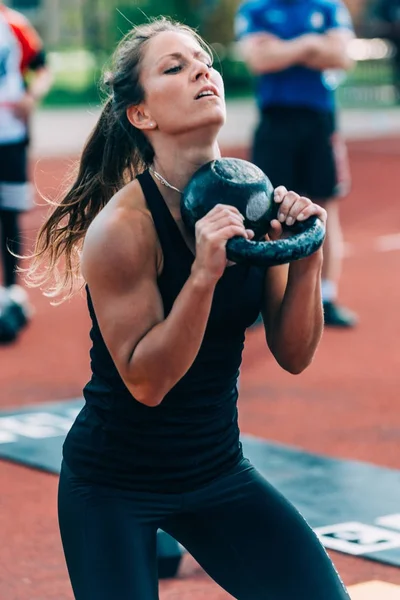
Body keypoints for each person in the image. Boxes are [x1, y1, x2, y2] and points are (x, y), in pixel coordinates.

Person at [25, 17, 350, 600]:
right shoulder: (123, 229)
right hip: (112, 486)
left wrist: (305, 256)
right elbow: (148, 383)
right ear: (141, 114)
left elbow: (295, 353)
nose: (202, 69)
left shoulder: (253, 196)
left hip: (216, 472)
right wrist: (202, 274)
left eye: (203, 59)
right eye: (174, 67)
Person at [235, 0, 357, 327]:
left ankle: (326, 298)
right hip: (275, 123)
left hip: (319, 121)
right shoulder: (255, 9)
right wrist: (312, 43)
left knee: (325, 206)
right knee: (264, 211)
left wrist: (284, 49)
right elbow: (259, 60)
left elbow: (342, 57)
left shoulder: (328, 7)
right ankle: (265, 298)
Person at [0, 1, 51, 342]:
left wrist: (32, 96)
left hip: (9, 137)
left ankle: (12, 292)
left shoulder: (14, 25)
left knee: (10, 213)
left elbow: (43, 67)